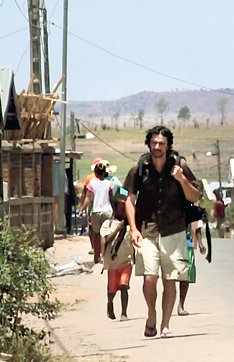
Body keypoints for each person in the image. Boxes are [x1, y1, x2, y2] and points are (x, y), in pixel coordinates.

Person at [123, 125, 200, 338]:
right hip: (147, 230)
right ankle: (151, 314)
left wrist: (182, 180)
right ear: (148, 144)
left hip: (174, 230)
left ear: (168, 146)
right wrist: (133, 228)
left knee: (170, 279)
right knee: (149, 277)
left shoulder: (180, 166)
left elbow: (195, 197)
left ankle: (165, 325)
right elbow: (129, 199)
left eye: (162, 144)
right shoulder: (139, 168)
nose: (157, 147)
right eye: (154, 143)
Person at [100, 193, 134, 321]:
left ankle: (124, 313)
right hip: (113, 264)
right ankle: (110, 303)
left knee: (124, 286)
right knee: (112, 290)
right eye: (121, 207)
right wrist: (118, 229)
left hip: (126, 262)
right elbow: (107, 239)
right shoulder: (107, 224)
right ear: (115, 208)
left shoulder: (130, 225)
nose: (123, 210)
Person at [78, 162, 114, 264]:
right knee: (105, 234)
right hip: (107, 211)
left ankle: (96, 256)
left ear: (95, 173)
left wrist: (81, 210)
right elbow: (111, 199)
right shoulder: (109, 184)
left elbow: (88, 198)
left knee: (96, 235)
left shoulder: (92, 184)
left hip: (96, 212)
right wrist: (115, 210)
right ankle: (103, 256)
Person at [177, 219, 207, 316]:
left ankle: (181, 305)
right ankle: (167, 304)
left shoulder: (192, 207)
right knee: (170, 277)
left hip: (187, 244)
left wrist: (200, 243)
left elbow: (197, 227)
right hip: (172, 243)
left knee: (186, 276)